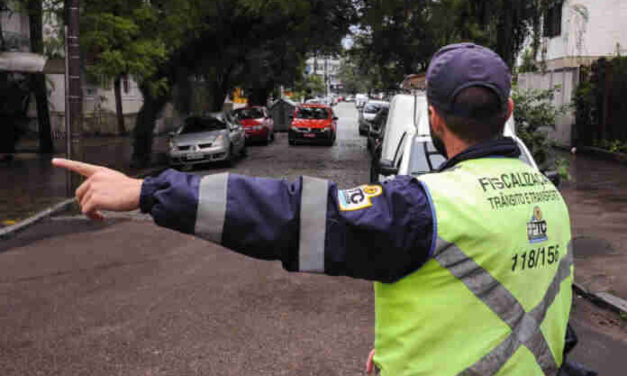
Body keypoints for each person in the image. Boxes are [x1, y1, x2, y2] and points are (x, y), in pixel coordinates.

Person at [52, 43, 573, 376]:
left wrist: (148, 193)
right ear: (509, 111)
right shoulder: (550, 200)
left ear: (433, 118)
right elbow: (550, 324)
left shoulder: (426, 206)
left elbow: (290, 214)